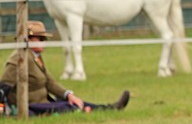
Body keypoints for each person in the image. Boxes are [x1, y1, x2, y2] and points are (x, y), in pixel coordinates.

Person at [0, 21, 129, 116]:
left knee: (72, 101)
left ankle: (110, 108)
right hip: (30, 106)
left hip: (43, 102)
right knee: (66, 106)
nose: (43, 41)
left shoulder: (35, 57)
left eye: (44, 38)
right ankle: (83, 111)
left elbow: (50, 83)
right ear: (27, 39)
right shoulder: (18, 58)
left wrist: (69, 95)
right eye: (40, 38)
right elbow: (3, 86)